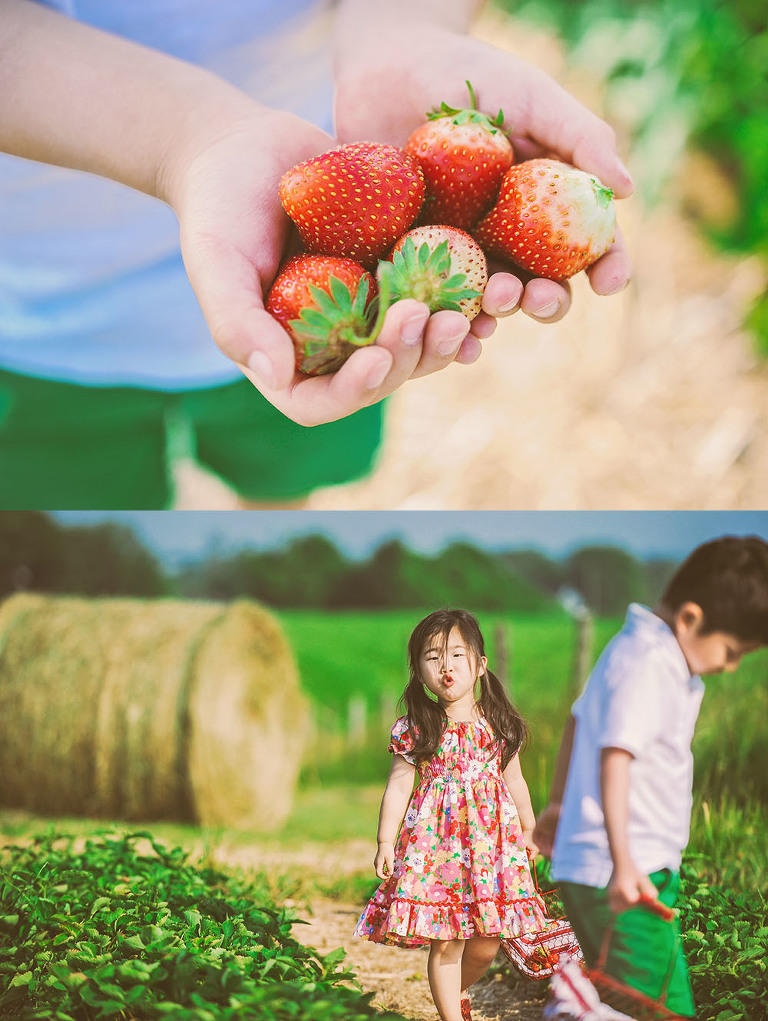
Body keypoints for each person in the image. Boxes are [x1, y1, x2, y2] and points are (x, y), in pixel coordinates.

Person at [0, 0, 634, 509]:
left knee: (284, 485)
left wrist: (406, 31)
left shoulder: (350, 250)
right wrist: (189, 138)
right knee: (78, 530)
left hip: (322, 318)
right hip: (39, 317)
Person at [533, 535, 768, 1019]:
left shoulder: (637, 650)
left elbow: (577, 719)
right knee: (664, 1009)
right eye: (731, 650)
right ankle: (578, 1006)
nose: (731, 667)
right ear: (690, 619)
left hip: (629, 865)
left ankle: (591, 1001)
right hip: (620, 870)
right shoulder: (649, 663)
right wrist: (623, 863)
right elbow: (616, 756)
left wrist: (558, 804)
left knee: (650, 1000)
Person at [354, 608, 548, 1021]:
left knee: (486, 945)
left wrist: (530, 829)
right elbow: (398, 787)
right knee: (447, 940)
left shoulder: (499, 724)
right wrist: (385, 841)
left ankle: (455, 991)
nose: (446, 666)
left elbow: (515, 781)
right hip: (438, 851)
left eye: (457, 655)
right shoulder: (417, 726)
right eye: (433, 657)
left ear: (480, 665)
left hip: (491, 850)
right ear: (418, 670)